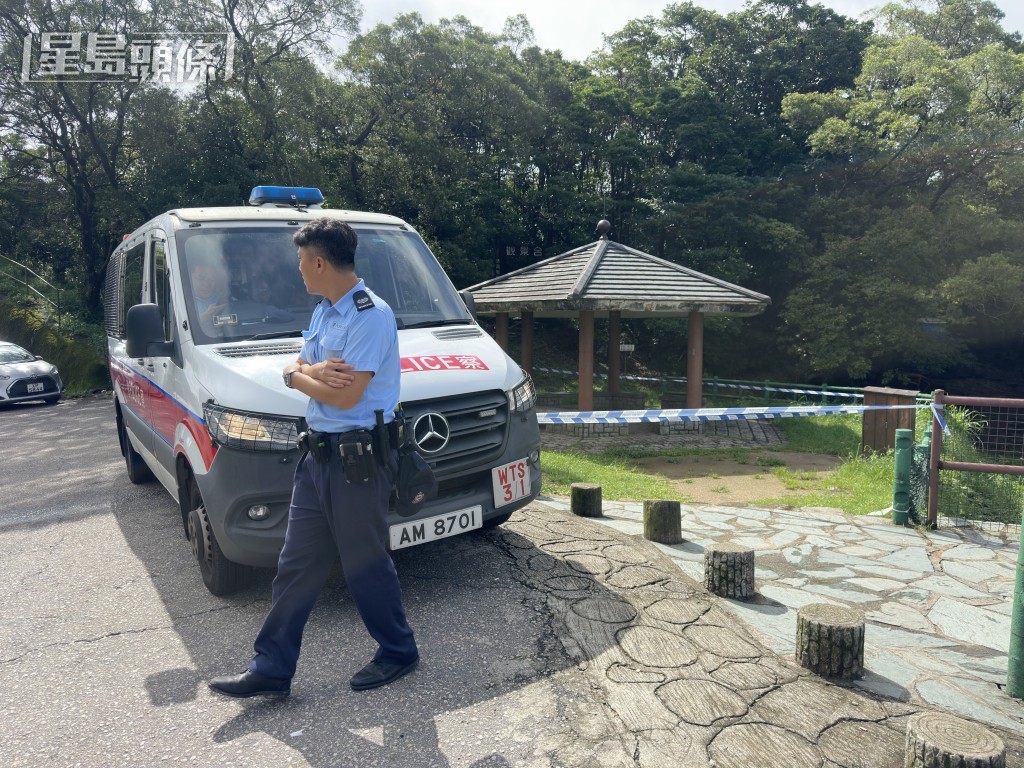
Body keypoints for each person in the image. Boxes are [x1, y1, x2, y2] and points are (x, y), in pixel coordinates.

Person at [208, 218, 418, 698]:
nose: (299, 269)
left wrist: (296, 376)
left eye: (302, 261)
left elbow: (345, 396)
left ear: (320, 262)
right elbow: (300, 364)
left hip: (359, 461)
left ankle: (398, 650)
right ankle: (272, 667)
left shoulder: (370, 315)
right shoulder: (325, 311)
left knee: (365, 565)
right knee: (295, 565)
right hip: (318, 459)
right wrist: (308, 371)